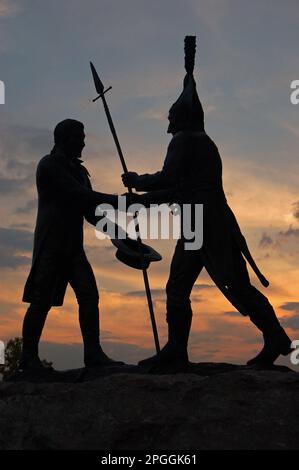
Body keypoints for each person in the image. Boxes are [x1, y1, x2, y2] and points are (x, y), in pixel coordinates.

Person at [122, 36, 292, 369]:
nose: (167, 125)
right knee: (226, 284)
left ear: (181, 117)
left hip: (200, 224)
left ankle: (177, 351)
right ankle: (274, 337)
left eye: (170, 117)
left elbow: (170, 182)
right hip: (209, 220)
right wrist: (141, 198)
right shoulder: (204, 141)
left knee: (181, 285)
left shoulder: (185, 140)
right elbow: (180, 189)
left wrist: (138, 184)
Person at [21, 118, 126, 370]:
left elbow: (90, 210)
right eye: (79, 138)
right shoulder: (49, 165)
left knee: (89, 296)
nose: (83, 143)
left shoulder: (79, 171)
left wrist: (119, 235)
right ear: (64, 138)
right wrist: (120, 202)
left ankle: (93, 354)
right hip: (51, 245)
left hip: (73, 248)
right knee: (41, 299)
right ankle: (28, 358)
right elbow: (78, 195)